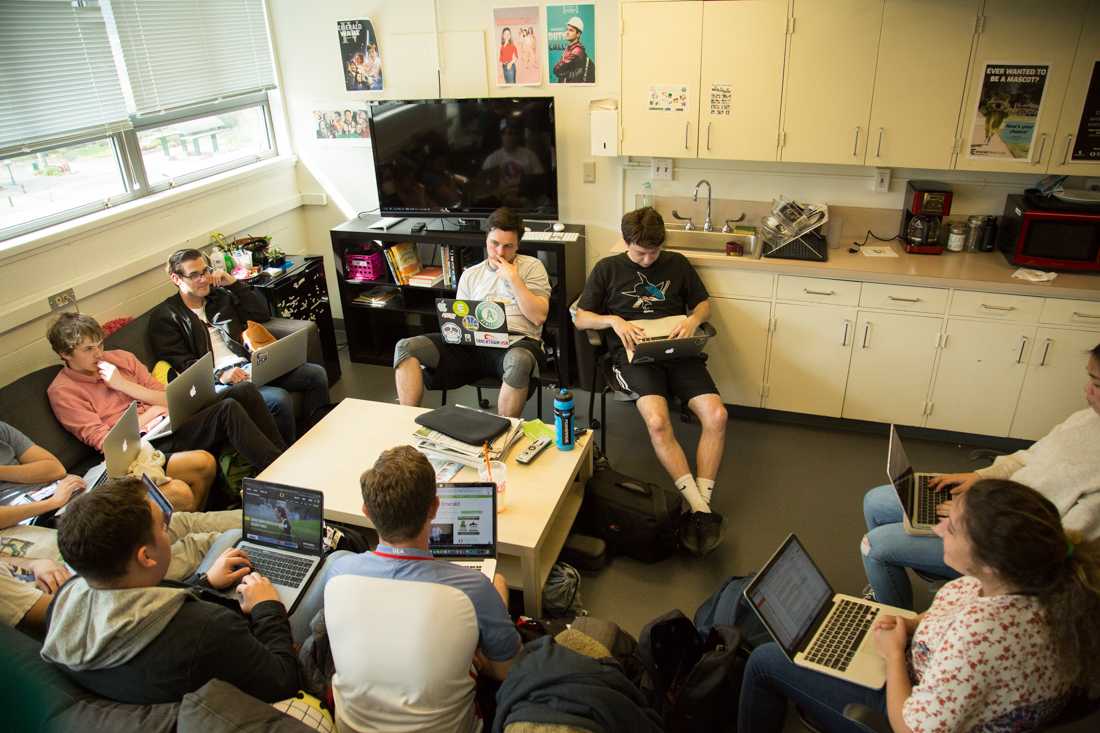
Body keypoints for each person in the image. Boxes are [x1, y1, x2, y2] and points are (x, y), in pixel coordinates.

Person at [739, 479, 1099, 733]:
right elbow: (952, 610)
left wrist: (895, 655)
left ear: (991, 562)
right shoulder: (1037, 579)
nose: (939, 530)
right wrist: (911, 626)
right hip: (937, 673)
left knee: (765, 661)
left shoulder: (981, 635)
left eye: (953, 529)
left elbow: (912, 727)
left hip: (907, 704)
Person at [861, 342, 1100, 609]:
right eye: (1089, 378)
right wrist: (979, 476)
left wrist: (974, 517)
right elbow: (1028, 458)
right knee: (877, 500)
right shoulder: (1086, 419)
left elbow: (1060, 546)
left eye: (1097, 384)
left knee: (874, 546)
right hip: (991, 510)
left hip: (1000, 546)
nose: (1086, 390)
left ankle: (898, 622)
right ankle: (891, 584)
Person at [41, 478, 299, 704]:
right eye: (163, 528)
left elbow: (146, 607)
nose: (168, 530)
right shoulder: (208, 627)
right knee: (334, 567)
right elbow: (283, 680)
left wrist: (204, 584)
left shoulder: (63, 604)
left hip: (147, 689)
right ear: (146, 556)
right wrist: (267, 608)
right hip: (251, 676)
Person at [326, 445, 521, 729]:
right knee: (500, 584)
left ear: (367, 512)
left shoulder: (338, 573)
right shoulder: (473, 589)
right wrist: (474, 656)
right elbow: (508, 669)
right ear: (435, 508)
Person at [575, 207, 727, 515]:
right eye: (641, 253)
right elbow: (580, 318)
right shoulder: (608, 268)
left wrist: (693, 320)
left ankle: (702, 503)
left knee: (717, 416)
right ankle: (698, 506)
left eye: (654, 253)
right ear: (626, 241)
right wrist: (613, 321)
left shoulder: (677, 264)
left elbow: (703, 304)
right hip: (633, 355)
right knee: (658, 423)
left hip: (678, 349)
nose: (648, 260)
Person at [46, 313, 286, 507]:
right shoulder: (63, 392)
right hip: (145, 447)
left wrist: (123, 385)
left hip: (169, 421)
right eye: (88, 349)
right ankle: (280, 482)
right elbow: (108, 443)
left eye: (99, 344)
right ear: (65, 354)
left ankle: (284, 460)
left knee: (243, 391)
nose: (99, 353)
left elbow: (167, 397)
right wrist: (151, 411)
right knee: (226, 409)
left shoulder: (121, 359)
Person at [150, 248, 330, 445]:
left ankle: (317, 440)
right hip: (219, 383)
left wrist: (235, 285)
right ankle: (284, 458)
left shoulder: (219, 297)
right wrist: (219, 375)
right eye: (194, 275)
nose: (203, 279)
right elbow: (182, 363)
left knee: (315, 375)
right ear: (176, 279)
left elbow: (261, 314)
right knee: (279, 399)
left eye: (205, 271)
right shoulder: (166, 317)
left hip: (250, 366)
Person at [393, 207, 550, 418]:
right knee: (405, 348)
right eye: (495, 244)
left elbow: (538, 316)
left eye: (508, 246)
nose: (500, 252)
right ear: (486, 240)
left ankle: (504, 432)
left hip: (516, 342)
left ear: (517, 246)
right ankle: (404, 422)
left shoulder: (533, 267)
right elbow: (461, 321)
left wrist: (513, 279)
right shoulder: (471, 274)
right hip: (472, 344)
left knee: (519, 360)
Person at [553, 16, 590, 83]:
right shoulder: (569, 48)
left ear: (578, 34)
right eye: (567, 29)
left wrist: (561, 72)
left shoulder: (577, 51)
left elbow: (557, 70)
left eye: (571, 30)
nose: (567, 32)